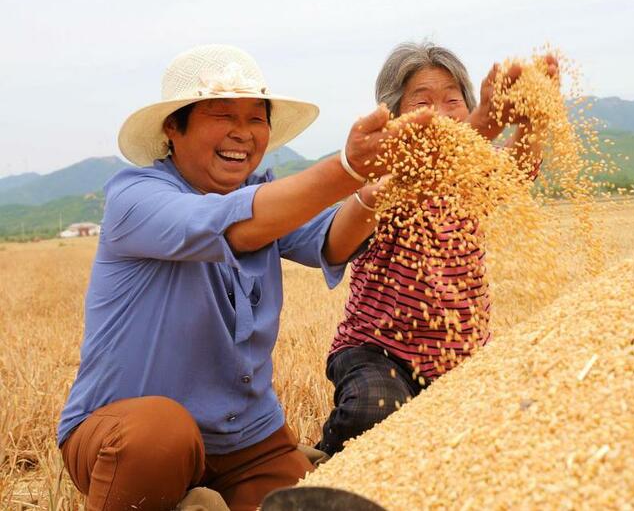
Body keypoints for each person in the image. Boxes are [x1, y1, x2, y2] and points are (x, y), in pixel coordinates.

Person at [56, 44, 430, 511]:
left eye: (257, 118)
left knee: (319, 500)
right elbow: (238, 224)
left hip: (246, 435)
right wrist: (347, 168)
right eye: (222, 115)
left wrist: (378, 189)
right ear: (174, 127)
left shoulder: (265, 194)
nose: (243, 133)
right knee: (159, 436)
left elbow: (331, 239)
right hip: (128, 434)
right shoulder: (136, 198)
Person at [314, 42, 555, 458]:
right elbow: (424, 173)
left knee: (516, 428)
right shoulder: (383, 175)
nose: (442, 114)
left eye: (453, 101)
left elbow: (517, 171)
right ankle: (325, 469)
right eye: (423, 102)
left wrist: (536, 116)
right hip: (378, 351)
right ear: (394, 117)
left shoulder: (472, 178)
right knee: (376, 411)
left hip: (462, 355)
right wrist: (484, 122)